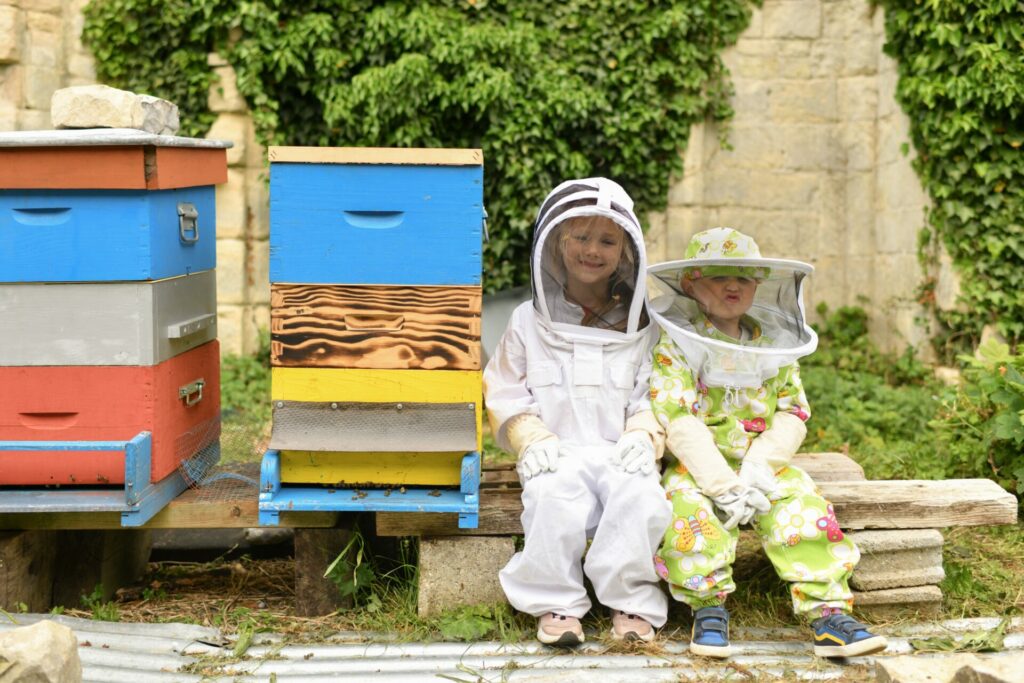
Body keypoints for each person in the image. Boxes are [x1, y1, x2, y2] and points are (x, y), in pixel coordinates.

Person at [646, 227, 888, 658]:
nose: (733, 286)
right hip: (698, 465)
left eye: (744, 276)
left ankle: (828, 614)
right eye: (719, 276)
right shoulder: (676, 343)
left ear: (759, 283)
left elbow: (793, 412)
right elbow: (676, 415)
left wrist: (760, 467)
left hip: (763, 463)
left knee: (802, 505)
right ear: (691, 283)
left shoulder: (776, 344)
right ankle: (708, 609)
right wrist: (720, 483)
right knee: (688, 510)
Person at [483, 177, 672, 646]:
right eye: (580, 237)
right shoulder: (528, 319)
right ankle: (557, 603)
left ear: (626, 250)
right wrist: (530, 437)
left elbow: (654, 390)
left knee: (642, 499)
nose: (593, 250)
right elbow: (504, 385)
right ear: (556, 243)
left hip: (617, 450)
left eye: (607, 240)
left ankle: (631, 600)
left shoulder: (642, 325)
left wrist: (643, 436)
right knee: (552, 498)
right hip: (556, 449)